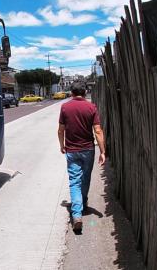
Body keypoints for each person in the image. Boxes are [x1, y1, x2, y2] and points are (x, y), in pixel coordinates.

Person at [57, 82, 106, 232]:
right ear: (85, 92)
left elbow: (60, 130)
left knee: (74, 181)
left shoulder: (65, 107)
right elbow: (97, 131)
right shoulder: (91, 107)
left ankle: (77, 214)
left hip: (71, 151)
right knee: (85, 178)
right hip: (88, 150)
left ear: (71, 93)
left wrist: (61, 145)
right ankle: (82, 205)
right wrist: (103, 151)